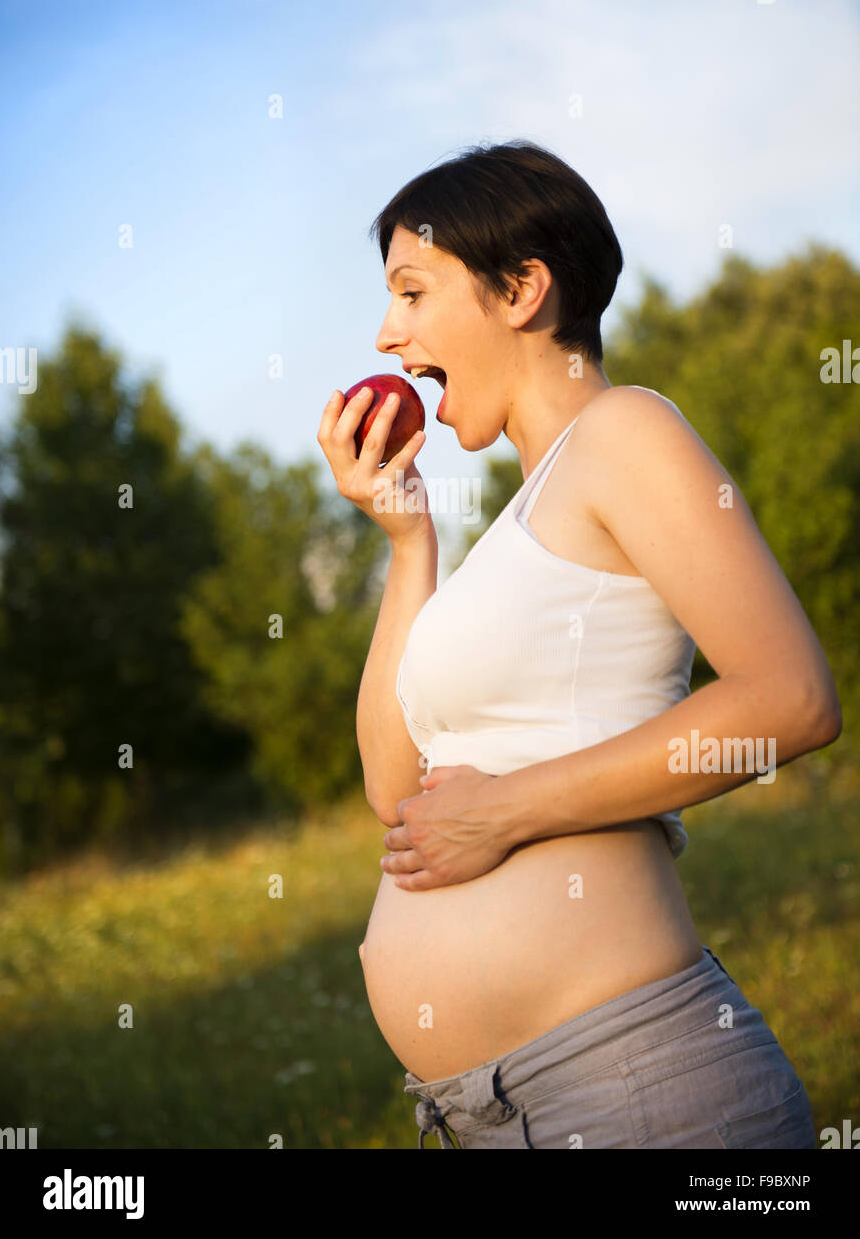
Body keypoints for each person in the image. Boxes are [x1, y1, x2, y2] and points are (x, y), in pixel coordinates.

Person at [316, 140, 841, 1149]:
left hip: (637, 1090)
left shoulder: (626, 431)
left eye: (413, 292)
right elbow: (400, 798)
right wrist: (407, 536)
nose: (387, 335)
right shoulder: (513, 533)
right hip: (490, 1116)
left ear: (522, 290)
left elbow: (791, 698)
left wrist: (505, 812)